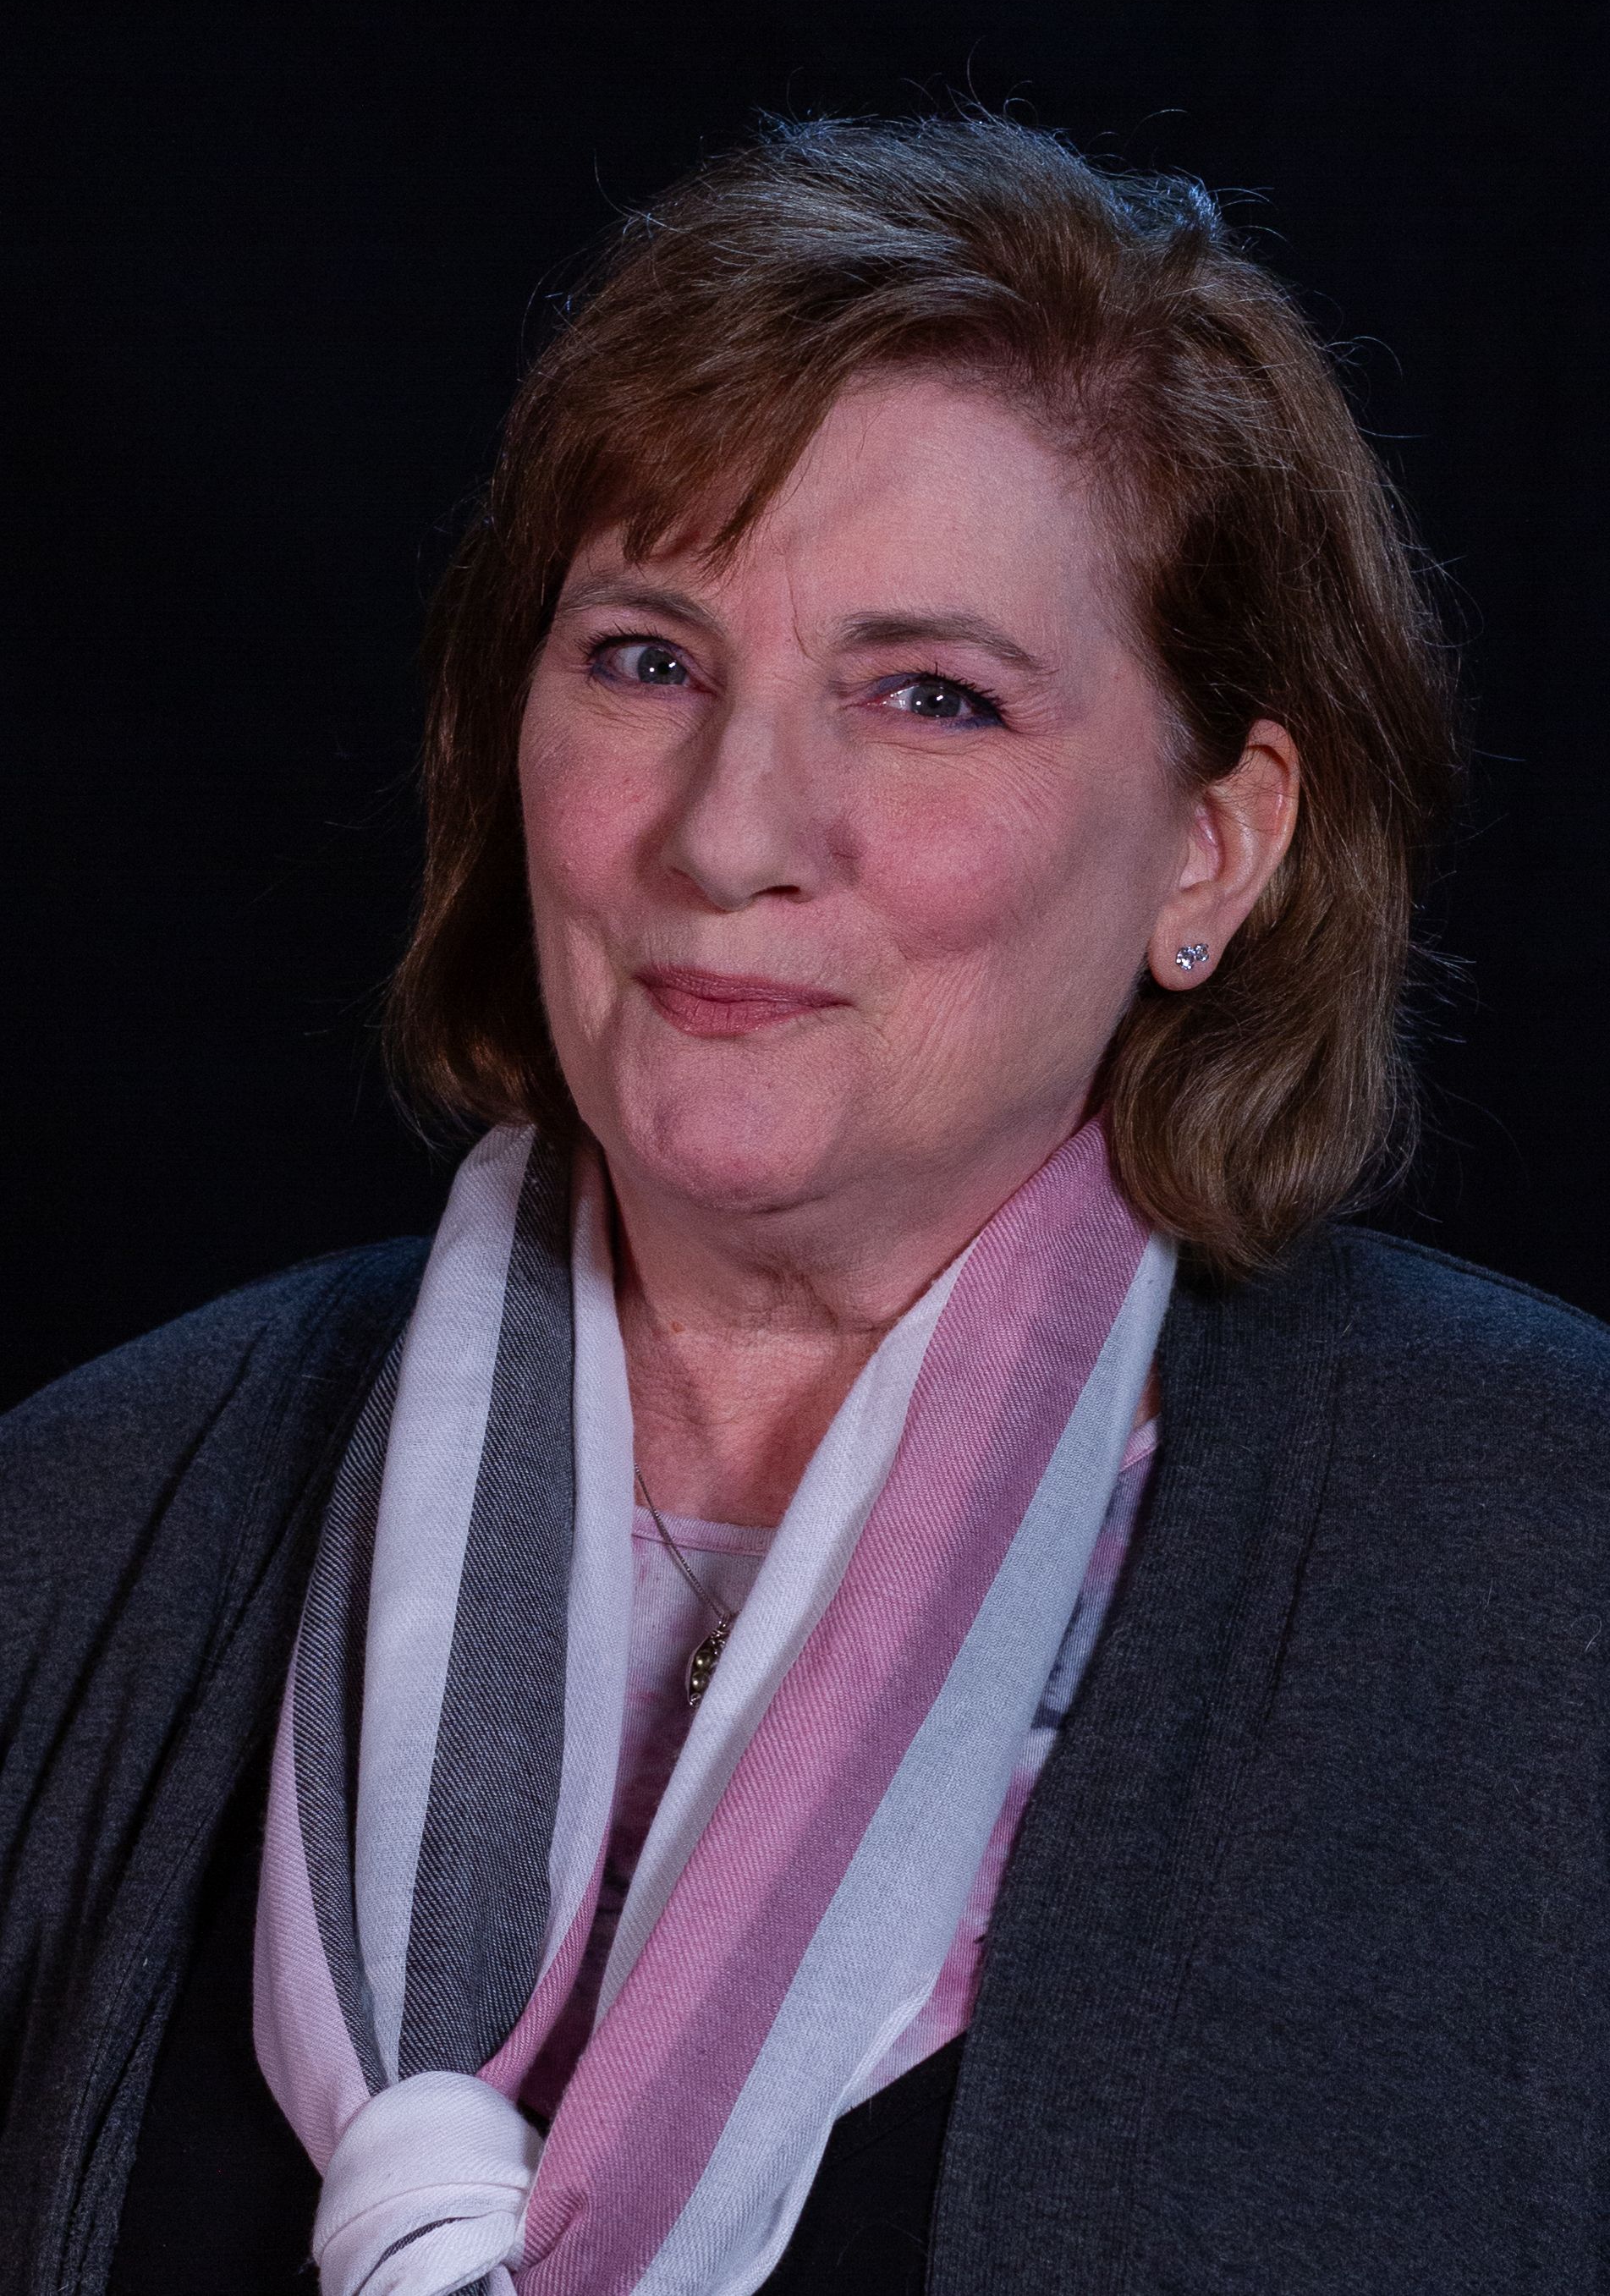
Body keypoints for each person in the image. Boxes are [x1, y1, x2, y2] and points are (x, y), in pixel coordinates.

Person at [3, 113, 1605, 2296]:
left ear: (1213, 852)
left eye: (928, 697)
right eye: (648, 658)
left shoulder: (1550, 1568)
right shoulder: (83, 1524)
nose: (729, 826)